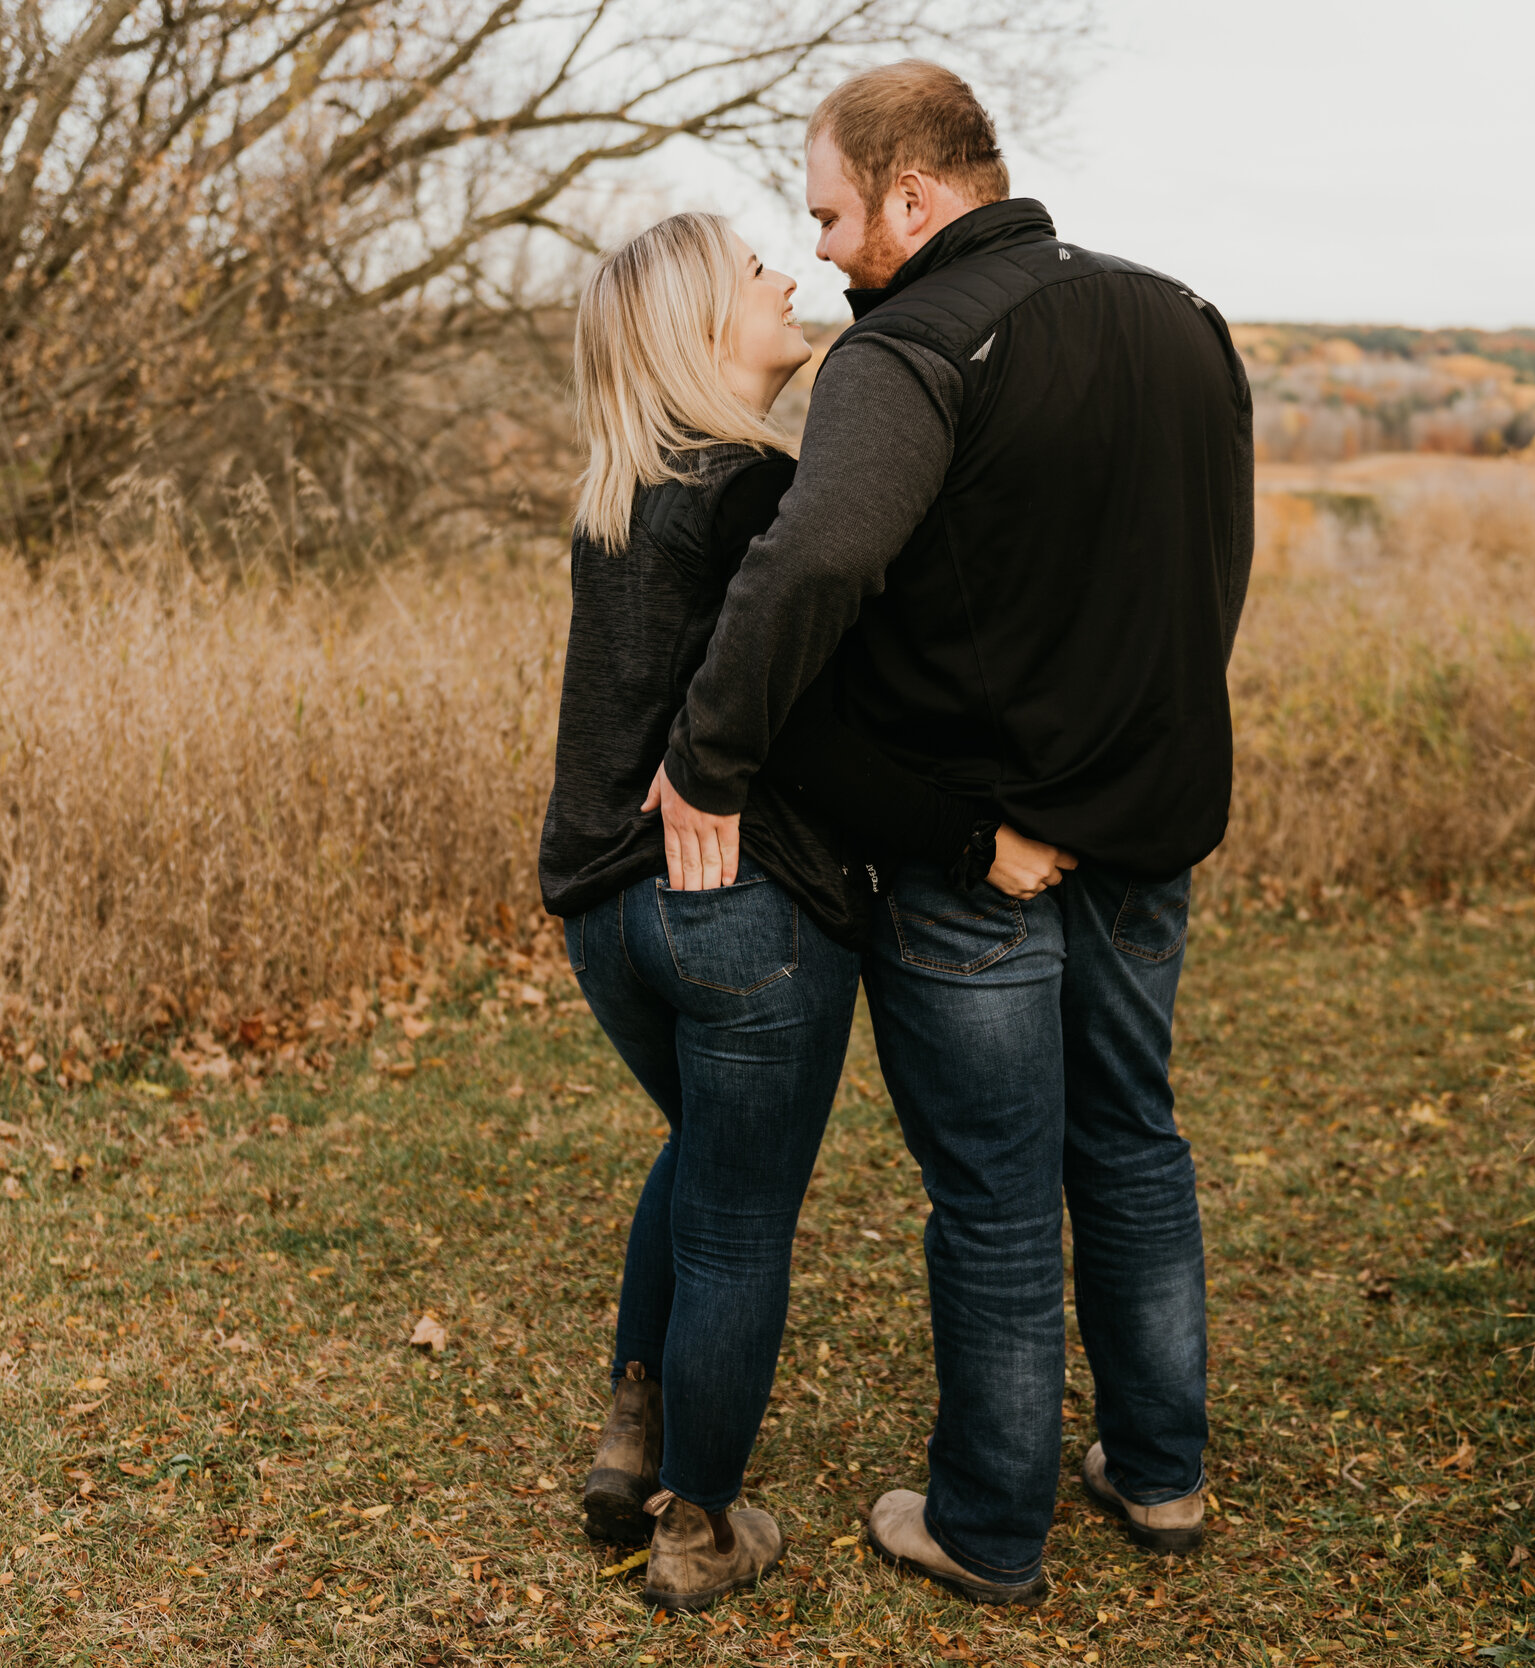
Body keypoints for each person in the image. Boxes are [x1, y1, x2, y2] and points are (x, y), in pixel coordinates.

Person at [647, 62, 1256, 1605]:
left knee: (992, 1193)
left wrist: (708, 763)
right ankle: (1162, 1472)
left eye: (837, 212)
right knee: (1133, 1141)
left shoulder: (910, 349)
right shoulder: (1184, 320)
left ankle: (989, 1525)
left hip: (970, 856)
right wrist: (1112, 786)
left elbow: (809, 570)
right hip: (1141, 832)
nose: (829, 245)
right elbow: (1205, 585)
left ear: (917, 199)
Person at [539, 211, 1076, 1615]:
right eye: (756, 271)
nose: (788, 276)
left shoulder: (623, 497)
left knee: (701, 1155)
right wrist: (980, 836)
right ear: (706, 327)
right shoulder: (754, 500)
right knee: (737, 1220)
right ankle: (703, 1530)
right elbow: (835, 746)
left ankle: (634, 1430)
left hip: (605, 917)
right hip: (737, 915)